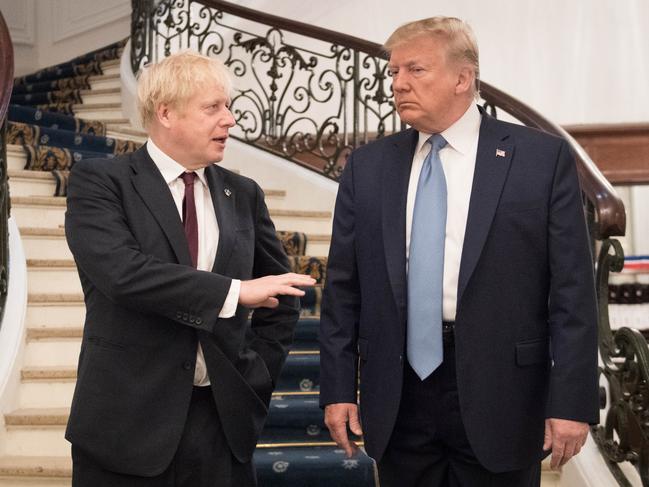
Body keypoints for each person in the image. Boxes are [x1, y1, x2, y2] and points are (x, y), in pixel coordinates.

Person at [319, 17, 598, 487]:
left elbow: (572, 292)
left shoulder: (540, 159)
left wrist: (571, 402)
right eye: (393, 72)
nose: (398, 83)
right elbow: (343, 289)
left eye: (415, 70)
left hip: (503, 394)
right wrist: (339, 389)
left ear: (463, 78)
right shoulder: (368, 167)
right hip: (398, 393)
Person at [64, 51, 315, 487]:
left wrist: (253, 377)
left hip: (221, 424)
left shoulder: (244, 193)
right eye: (213, 107)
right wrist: (233, 293)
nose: (230, 120)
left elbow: (282, 300)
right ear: (166, 113)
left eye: (228, 106)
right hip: (126, 426)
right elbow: (124, 275)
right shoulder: (101, 182)